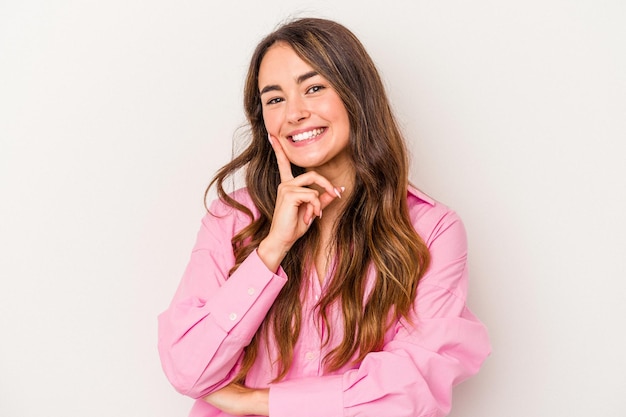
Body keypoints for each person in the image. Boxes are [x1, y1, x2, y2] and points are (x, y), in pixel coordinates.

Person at [158, 17, 490, 417]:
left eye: (314, 88)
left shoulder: (432, 230)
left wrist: (258, 402)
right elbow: (188, 371)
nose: (295, 113)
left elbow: (410, 392)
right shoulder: (233, 217)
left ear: (355, 96)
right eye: (275, 99)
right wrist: (272, 249)